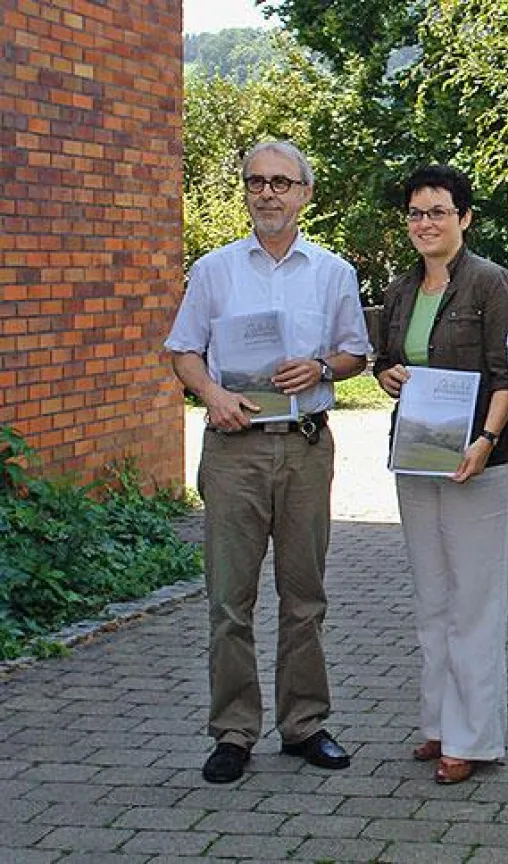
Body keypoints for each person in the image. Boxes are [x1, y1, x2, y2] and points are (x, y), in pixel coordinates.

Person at [165, 140, 371, 784]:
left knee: (304, 596)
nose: (268, 193)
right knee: (230, 599)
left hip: (305, 445)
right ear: (246, 191)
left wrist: (321, 367)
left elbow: (355, 353)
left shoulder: (332, 271)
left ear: (305, 193)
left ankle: (304, 724)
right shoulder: (215, 269)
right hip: (234, 450)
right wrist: (212, 394)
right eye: (256, 181)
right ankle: (233, 731)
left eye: (282, 182)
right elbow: (183, 350)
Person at [375, 165, 508, 785]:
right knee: (433, 599)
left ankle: (473, 738)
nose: (425, 224)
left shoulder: (492, 283)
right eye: (416, 213)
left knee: (476, 602)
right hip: (418, 458)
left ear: (464, 218)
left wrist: (485, 440)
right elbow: (387, 361)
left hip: (480, 462)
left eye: (438, 212)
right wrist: (387, 375)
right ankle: (439, 724)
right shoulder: (400, 289)